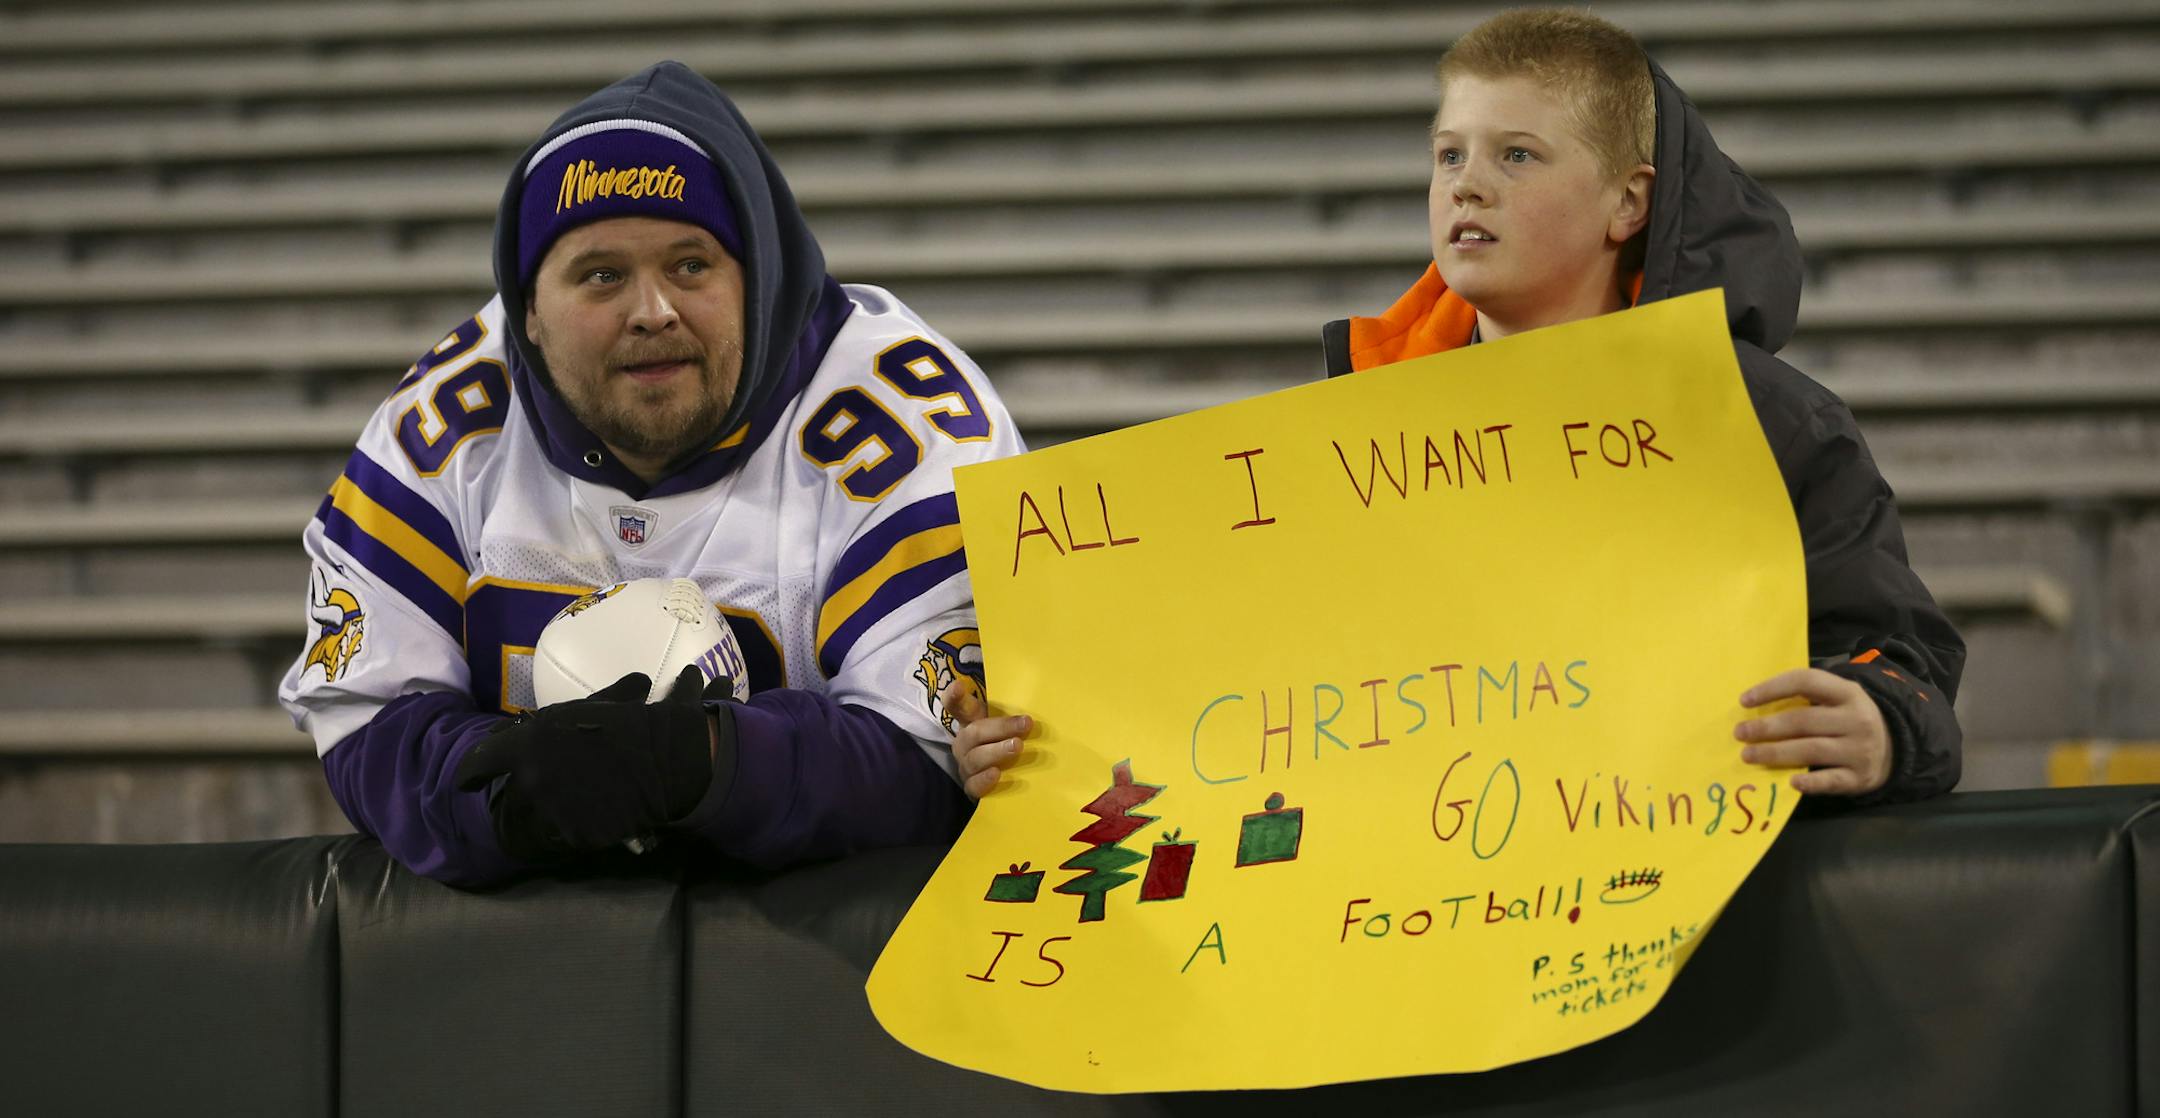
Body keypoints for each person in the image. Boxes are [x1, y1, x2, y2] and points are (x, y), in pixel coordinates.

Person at [954, 9, 1964, 805]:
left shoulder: (1772, 425)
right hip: (1404, 952)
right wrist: (1045, 738)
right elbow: (1241, 688)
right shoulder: (1339, 442)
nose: (1467, 186)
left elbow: (1895, 653)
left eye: (1515, 156)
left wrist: (1882, 722)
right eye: (1449, 155)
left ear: (1630, 202)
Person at [279, 62, 1024, 886]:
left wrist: (706, 763)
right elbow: (364, 721)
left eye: (691, 265)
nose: (653, 310)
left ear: (759, 281)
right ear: (528, 308)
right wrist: (511, 795)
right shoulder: (446, 426)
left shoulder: (908, 426)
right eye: (601, 275)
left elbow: (932, 760)